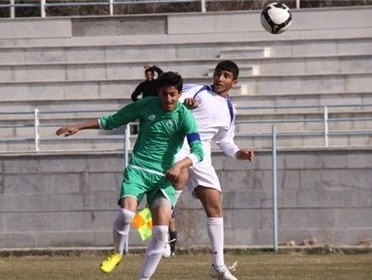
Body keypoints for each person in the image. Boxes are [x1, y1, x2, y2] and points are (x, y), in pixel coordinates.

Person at [55, 71, 204, 280]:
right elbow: (113, 120)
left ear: (179, 94)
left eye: (172, 94)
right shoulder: (146, 105)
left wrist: (179, 165)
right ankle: (117, 253)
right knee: (126, 214)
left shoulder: (184, 116)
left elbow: (199, 152)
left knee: (161, 232)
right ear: (158, 92)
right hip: (139, 171)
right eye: (164, 94)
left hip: (163, 178)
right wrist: (78, 127)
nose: (167, 99)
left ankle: (143, 278)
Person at [174, 60, 255, 280]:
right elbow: (168, 104)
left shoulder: (230, 109)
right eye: (218, 73)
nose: (220, 78)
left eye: (226, 76)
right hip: (177, 144)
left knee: (215, 205)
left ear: (234, 82)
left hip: (202, 153)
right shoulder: (195, 89)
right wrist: (183, 107)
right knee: (173, 185)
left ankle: (218, 266)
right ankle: (162, 232)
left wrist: (239, 153)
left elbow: (226, 141)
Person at [130, 65, 164, 135]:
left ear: (153, 75)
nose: (149, 76)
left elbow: (162, 74)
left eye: (150, 74)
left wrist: (154, 67)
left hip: (156, 104)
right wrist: (140, 102)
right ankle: (135, 129)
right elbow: (133, 96)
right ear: (145, 75)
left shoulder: (157, 82)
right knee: (136, 111)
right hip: (146, 105)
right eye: (147, 74)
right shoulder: (142, 85)